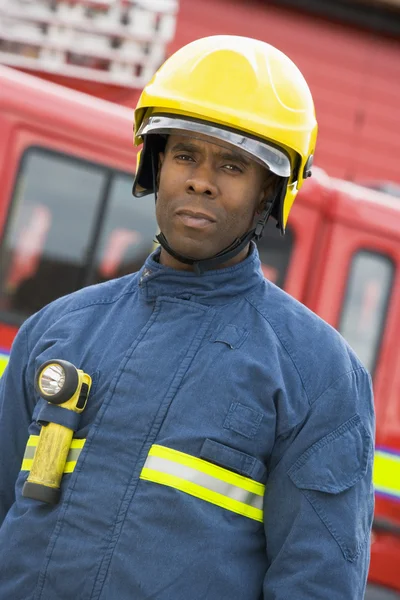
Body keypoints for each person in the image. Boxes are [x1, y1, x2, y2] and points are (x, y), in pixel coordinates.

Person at [0, 35, 375, 599]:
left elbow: (316, 583)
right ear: (154, 164)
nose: (201, 179)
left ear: (270, 193)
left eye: (232, 164)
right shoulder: (56, 331)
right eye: (185, 154)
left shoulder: (318, 376)